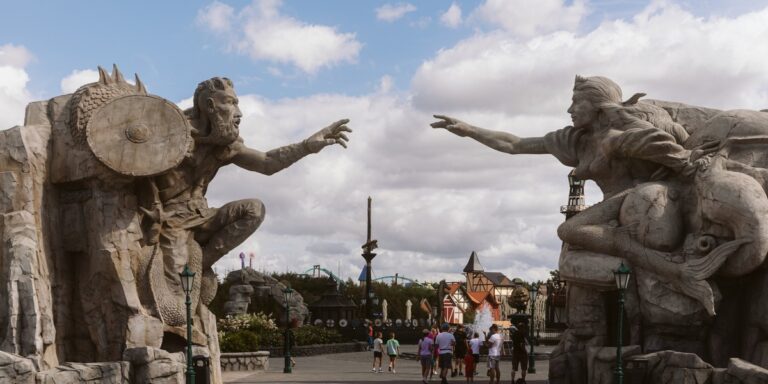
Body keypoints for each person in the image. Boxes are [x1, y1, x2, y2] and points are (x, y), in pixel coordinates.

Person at [430, 75, 736, 314]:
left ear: (599, 106)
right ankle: (638, 278)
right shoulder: (577, 141)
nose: (569, 110)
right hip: (611, 208)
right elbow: (515, 144)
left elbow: (681, 159)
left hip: (637, 201)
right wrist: (470, 130)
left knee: (569, 229)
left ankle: (671, 269)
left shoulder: (620, 139)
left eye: (577, 103)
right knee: (570, 258)